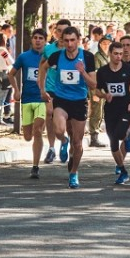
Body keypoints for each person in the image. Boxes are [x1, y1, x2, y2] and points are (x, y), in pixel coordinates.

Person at [38, 26, 97, 189]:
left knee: (77, 143)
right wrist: (42, 90)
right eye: (66, 41)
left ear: (78, 40)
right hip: (61, 99)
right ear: (62, 41)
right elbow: (43, 68)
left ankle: (73, 173)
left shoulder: (87, 57)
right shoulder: (57, 56)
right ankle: (64, 141)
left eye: (73, 40)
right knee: (58, 130)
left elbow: (93, 85)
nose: (70, 44)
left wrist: (83, 72)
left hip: (79, 101)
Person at [9, 28, 47, 178]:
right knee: (27, 136)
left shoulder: (48, 57)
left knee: (38, 131)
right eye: (35, 38)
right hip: (26, 99)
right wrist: (16, 90)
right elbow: (11, 74)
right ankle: (35, 161)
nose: (38, 40)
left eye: (41, 38)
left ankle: (35, 166)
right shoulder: (24, 57)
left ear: (45, 40)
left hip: (41, 99)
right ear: (32, 40)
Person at [95, 41, 130, 184]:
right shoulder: (103, 71)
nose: (119, 56)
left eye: (120, 54)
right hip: (110, 109)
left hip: (125, 108)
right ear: (110, 54)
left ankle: (127, 135)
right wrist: (105, 95)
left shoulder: (129, 69)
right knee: (113, 142)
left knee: (120, 134)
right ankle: (122, 170)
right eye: (116, 54)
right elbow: (97, 90)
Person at [40, 18, 71, 164]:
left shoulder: (74, 49)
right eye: (59, 30)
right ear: (55, 31)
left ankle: (66, 142)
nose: (61, 34)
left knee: (67, 123)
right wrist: (41, 87)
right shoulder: (48, 49)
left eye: (64, 31)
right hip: (52, 88)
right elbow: (42, 67)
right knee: (49, 113)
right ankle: (51, 148)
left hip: (69, 90)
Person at [88, 37, 111, 147]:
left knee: (100, 113)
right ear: (100, 44)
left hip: (104, 88)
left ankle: (95, 134)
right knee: (96, 113)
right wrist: (95, 92)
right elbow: (96, 74)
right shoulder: (97, 57)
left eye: (108, 43)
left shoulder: (107, 57)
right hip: (98, 88)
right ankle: (93, 136)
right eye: (104, 43)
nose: (106, 45)